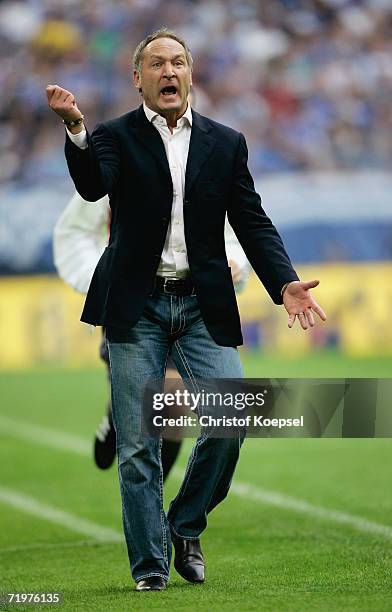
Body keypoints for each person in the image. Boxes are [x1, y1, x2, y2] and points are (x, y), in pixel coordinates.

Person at [46, 27, 326, 592]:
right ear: (138, 78)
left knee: (232, 419)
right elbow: (93, 185)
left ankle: (185, 524)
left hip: (203, 305)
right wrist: (76, 129)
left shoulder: (226, 142)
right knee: (138, 449)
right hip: (136, 305)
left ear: (190, 73)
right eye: (155, 64)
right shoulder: (115, 136)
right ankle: (150, 571)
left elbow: (251, 219)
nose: (167, 72)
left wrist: (285, 282)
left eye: (177, 62)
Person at [53, 191, 249, 472]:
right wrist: (102, 278)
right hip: (132, 304)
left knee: (172, 407)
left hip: (192, 302)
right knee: (155, 406)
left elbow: (231, 229)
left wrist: (234, 263)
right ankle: (117, 413)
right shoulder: (118, 157)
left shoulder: (208, 158)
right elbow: (73, 231)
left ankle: (155, 511)